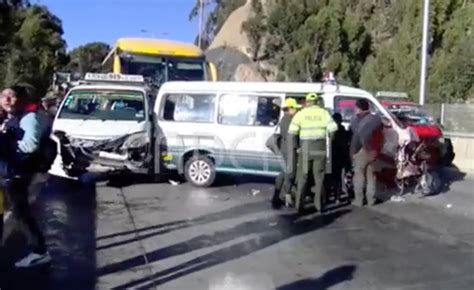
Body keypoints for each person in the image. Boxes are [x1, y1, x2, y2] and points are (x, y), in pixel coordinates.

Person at [0, 86, 52, 267]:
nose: (6, 99)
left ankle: (40, 251)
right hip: (10, 171)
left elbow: (30, 145)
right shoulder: (10, 116)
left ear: (20, 99)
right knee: (16, 210)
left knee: (20, 212)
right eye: (3, 95)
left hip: (18, 173)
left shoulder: (29, 118)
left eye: (11, 96)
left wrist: (6, 143)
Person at [289, 93, 337, 214]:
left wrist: (296, 147)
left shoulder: (301, 114)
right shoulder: (324, 113)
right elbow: (333, 130)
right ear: (316, 101)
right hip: (319, 148)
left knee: (303, 177)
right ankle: (319, 206)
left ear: (307, 102)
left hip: (305, 148)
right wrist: (329, 142)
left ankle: (299, 205)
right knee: (319, 178)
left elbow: (292, 132)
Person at [349, 99, 384, 206]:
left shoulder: (355, 121)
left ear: (359, 108)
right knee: (371, 176)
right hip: (374, 151)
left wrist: (353, 152)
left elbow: (356, 137)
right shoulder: (376, 119)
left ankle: (359, 200)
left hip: (361, 150)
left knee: (359, 176)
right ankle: (371, 199)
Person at [272, 98, 302, 209]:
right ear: (289, 108)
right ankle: (286, 196)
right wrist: (297, 147)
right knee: (290, 173)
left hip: (286, 148)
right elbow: (291, 136)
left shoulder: (286, 119)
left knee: (285, 172)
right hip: (290, 149)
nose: (297, 110)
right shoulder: (289, 120)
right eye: (294, 108)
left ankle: (277, 197)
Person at [331, 112, 352, 202]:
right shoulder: (342, 129)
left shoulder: (331, 130)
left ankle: (336, 196)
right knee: (342, 176)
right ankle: (342, 194)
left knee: (335, 177)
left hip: (334, 156)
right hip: (342, 155)